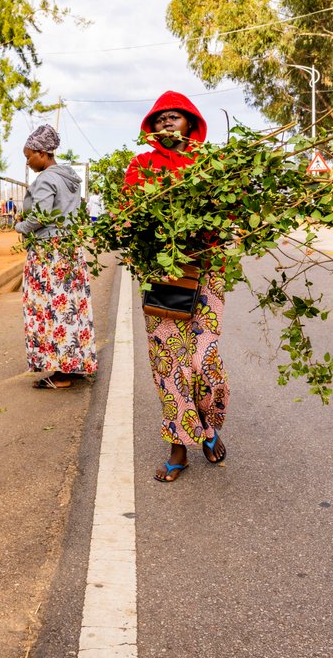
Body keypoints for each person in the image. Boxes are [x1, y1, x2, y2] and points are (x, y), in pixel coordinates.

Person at [123, 91, 231, 483]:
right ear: (152, 127)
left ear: (191, 124)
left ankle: (207, 422)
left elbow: (231, 211)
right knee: (169, 364)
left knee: (205, 360)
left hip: (206, 271)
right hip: (163, 274)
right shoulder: (141, 166)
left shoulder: (212, 165)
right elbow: (128, 218)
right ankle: (179, 445)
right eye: (161, 118)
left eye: (176, 116)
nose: (168, 121)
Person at [15, 124, 98, 390]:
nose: (28, 162)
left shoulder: (47, 178)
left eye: (29, 156)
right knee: (71, 309)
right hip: (69, 249)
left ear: (42, 153)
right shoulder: (70, 177)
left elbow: (41, 216)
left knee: (49, 309)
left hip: (48, 253)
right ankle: (74, 365)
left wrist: (20, 227)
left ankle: (61, 374)